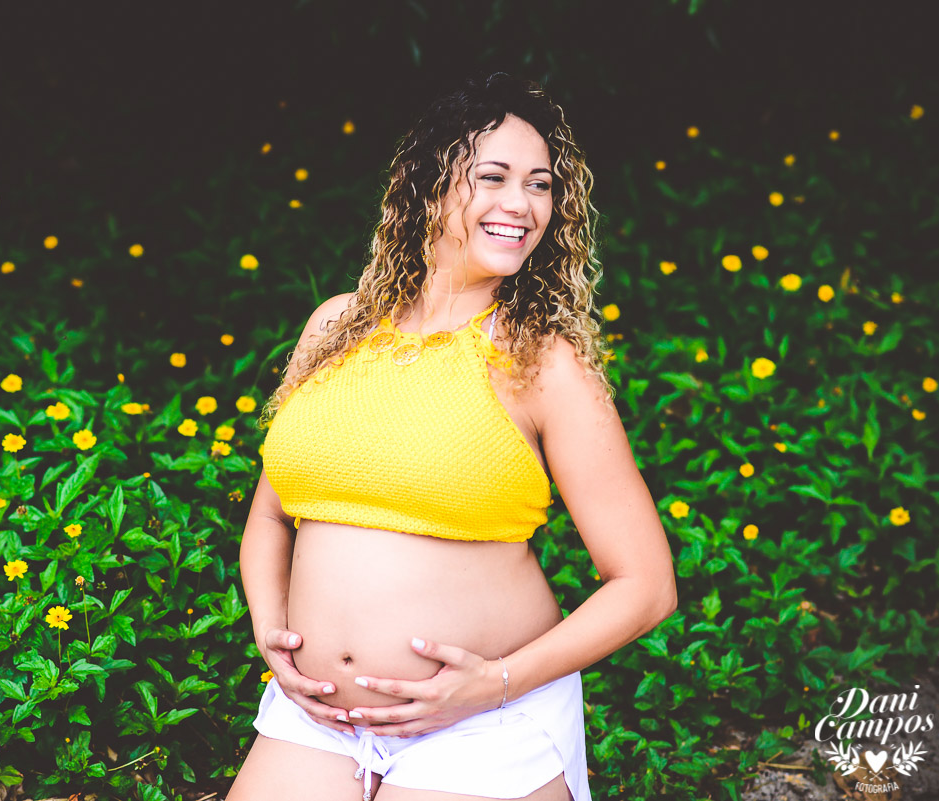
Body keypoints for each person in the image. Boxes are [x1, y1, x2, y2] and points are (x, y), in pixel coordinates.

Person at [228, 72, 677, 801]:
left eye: (539, 184)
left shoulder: (542, 361)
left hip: (482, 725)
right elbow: (272, 517)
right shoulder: (335, 326)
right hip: (318, 716)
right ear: (428, 187)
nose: (521, 204)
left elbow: (646, 586)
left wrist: (493, 684)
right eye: (493, 177)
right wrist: (269, 630)